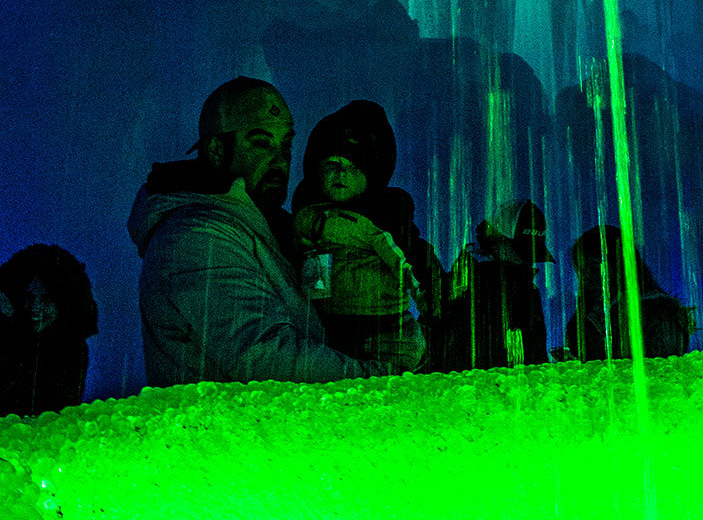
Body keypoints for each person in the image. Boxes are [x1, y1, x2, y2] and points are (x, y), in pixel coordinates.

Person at [128, 76, 370, 387]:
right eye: (261, 142)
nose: (280, 159)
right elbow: (266, 357)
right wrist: (383, 377)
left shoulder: (275, 230)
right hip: (225, 433)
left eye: (286, 143)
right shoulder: (194, 238)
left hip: (276, 428)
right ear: (216, 149)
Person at [290, 102, 447, 361]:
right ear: (315, 170)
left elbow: (410, 257)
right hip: (326, 328)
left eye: (354, 167)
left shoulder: (388, 218)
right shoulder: (305, 217)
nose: (342, 173)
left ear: (372, 175)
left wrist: (429, 297)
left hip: (382, 327)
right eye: (332, 164)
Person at [440, 199, 553, 371]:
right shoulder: (481, 288)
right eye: (521, 251)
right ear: (497, 240)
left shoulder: (523, 288)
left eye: (531, 254)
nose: (526, 260)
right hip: (487, 391)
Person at [563, 224, 696, 362]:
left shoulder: (656, 313)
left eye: (595, 269)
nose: (586, 279)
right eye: (581, 272)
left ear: (620, 264)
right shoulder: (596, 313)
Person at [0, 245, 97, 416]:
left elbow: (59, 411)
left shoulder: (72, 349)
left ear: (65, 302)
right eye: (29, 296)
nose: (37, 307)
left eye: (47, 299)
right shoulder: (9, 333)